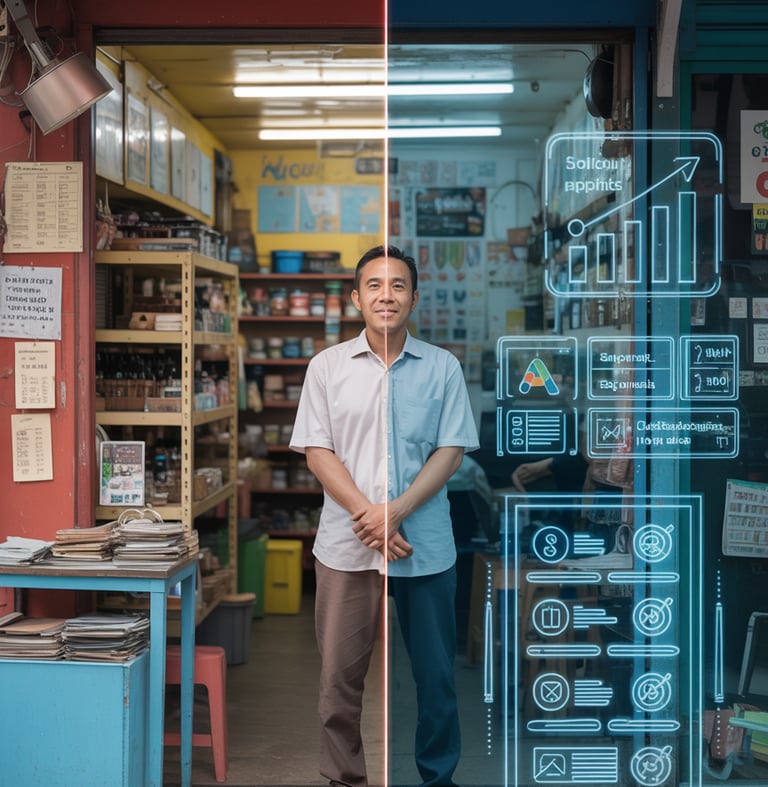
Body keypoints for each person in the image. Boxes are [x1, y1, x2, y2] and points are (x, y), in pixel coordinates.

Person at [290, 245, 479, 787]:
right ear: (356, 297)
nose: (386, 295)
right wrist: (368, 517)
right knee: (338, 681)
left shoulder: (442, 367)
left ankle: (438, 777)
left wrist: (395, 512)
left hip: (425, 546)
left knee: (438, 679)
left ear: (414, 299)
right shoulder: (326, 368)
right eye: (374, 285)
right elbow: (317, 450)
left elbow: (451, 450)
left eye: (398, 286)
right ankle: (343, 779)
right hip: (347, 547)